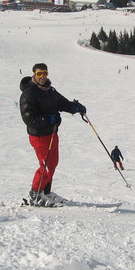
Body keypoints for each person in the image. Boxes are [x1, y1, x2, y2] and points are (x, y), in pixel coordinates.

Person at [19, 63, 86, 206]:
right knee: (46, 166)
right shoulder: (29, 93)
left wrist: (75, 108)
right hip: (39, 136)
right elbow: (28, 119)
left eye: (44, 73)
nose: (42, 77)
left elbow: (61, 103)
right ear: (34, 75)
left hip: (52, 133)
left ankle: (45, 192)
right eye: (39, 74)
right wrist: (48, 119)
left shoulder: (49, 90)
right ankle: (35, 195)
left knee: (53, 164)